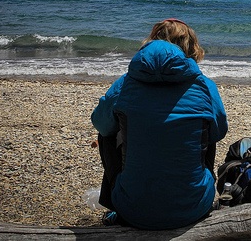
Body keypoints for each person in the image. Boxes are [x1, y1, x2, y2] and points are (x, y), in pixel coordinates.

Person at [91, 18, 228, 230]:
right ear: (189, 47)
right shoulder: (204, 86)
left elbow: (100, 123)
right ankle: (195, 189)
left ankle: (114, 207)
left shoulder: (125, 83)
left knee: (107, 133)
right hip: (193, 208)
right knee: (206, 130)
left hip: (132, 210)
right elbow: (219, 132)